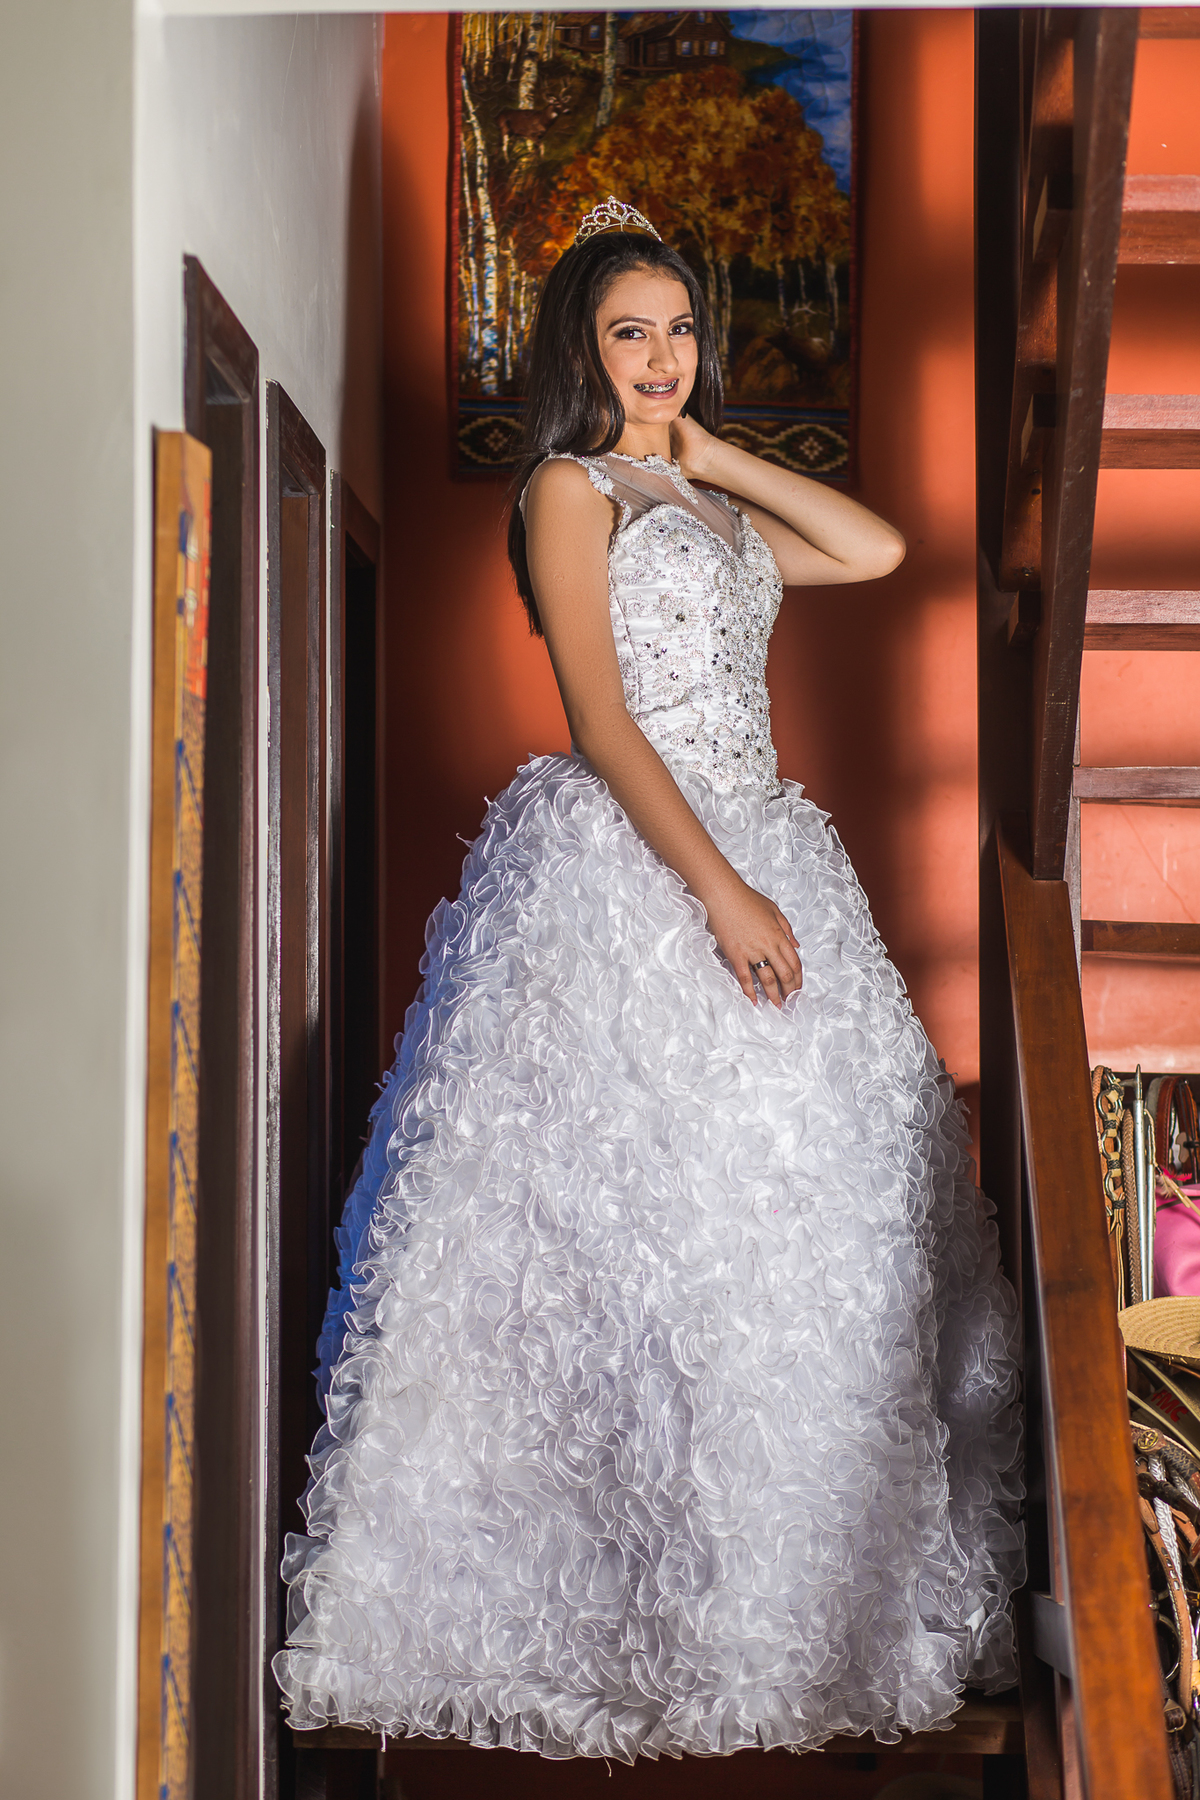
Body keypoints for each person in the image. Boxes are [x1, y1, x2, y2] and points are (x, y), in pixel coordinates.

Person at [274, 199, 1023, 1763]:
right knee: (619, 1246)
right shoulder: (568, 489)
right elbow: (602, 723)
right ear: (581, 348)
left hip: (763, 833)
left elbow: (875, 548)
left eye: (681, 332)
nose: (663, 357)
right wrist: (722, 891)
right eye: (632, 334)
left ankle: (782, 1615)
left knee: (779, 1242)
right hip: (642, 865)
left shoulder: (701, 499)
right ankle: (605, 1617)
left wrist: (711, 451)